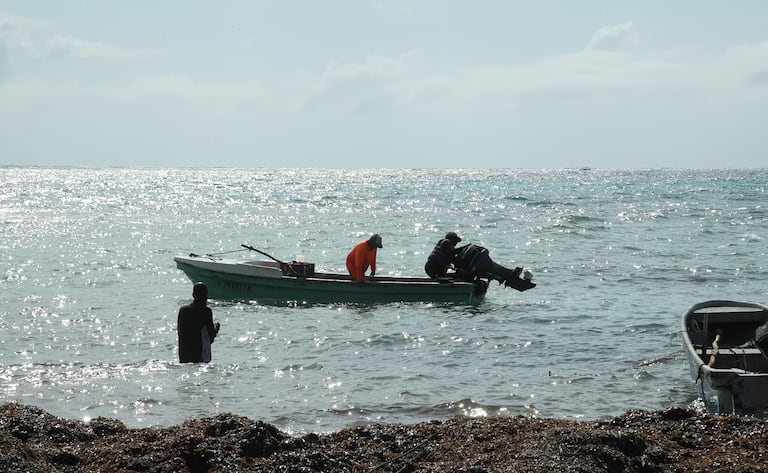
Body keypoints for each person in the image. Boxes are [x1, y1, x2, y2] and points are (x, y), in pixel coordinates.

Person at [177, 282, 220, 363]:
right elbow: (211, 336)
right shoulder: (206, 311)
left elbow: (180, 332)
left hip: (184, 355)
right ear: (206, 296)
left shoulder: (183, 310)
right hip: (199, 356)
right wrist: (216, 329)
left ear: (193, 295)